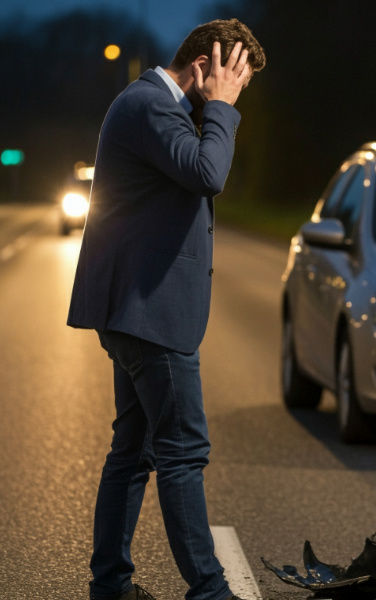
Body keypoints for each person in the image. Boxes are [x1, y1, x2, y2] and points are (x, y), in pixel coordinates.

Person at [67, 19, 266, 600]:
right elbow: (207, 174)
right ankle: (210, 590)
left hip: (138, 309)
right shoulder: (151, 105)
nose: (237, 95)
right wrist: (221, 107)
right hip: (149, 314)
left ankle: (111, 585)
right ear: (204, 66)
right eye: (236, 80)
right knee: (183, 452)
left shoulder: (157, 106)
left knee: (134, 450)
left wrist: (214, 108)